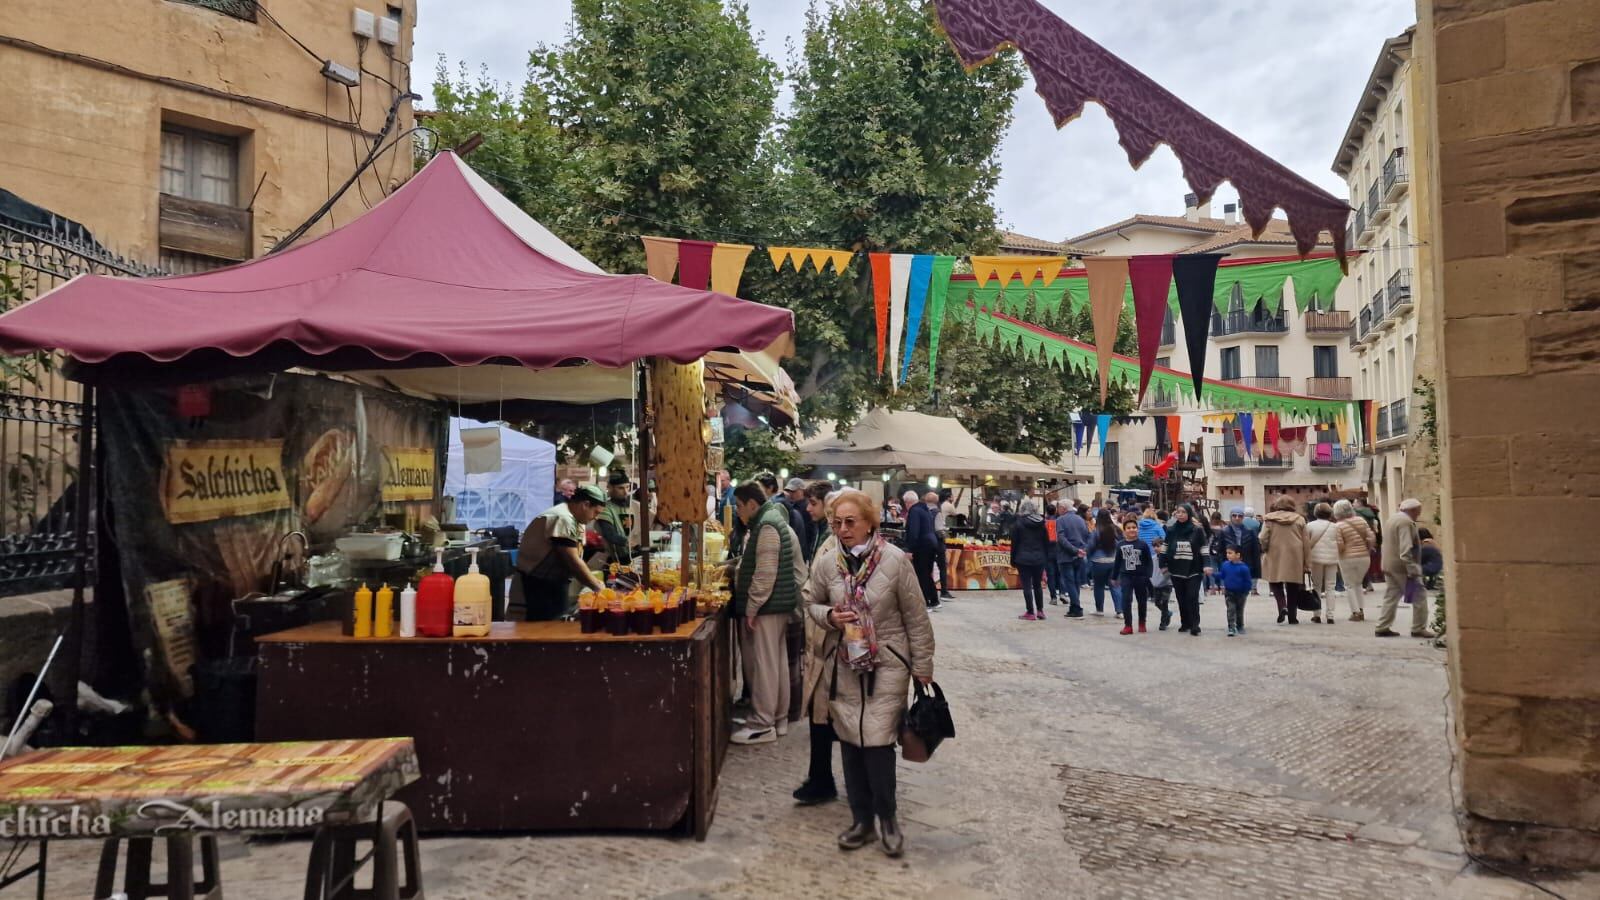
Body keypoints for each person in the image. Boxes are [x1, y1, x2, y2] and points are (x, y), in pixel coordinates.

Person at [801, 489, 935, 858]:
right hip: (844, 661)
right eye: (836, 523)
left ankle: (887, 819)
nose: (843, 529)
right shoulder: (828, 564)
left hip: (887, 662)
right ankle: (861, 820)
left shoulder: (894, 561)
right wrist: (829, 617)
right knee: (849, 740)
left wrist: (923, 664)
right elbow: (809, 600)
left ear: (869, 523)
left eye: (850, 522)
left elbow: (916, 616)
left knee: (876, 741)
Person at [730, 481, 808, 746]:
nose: (739, 512)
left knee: (763, 665)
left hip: (768, 607)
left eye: (739, 506)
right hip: (776, 606)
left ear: (753, 504)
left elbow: (765, 573)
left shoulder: (766, 526)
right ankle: (778, 718)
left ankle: (762, 723)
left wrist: (752, 607)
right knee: (775, 664)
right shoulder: (771, 520)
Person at [794, 485, 842, 806]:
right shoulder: (826, 540)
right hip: (819, 640)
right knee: (819, 714)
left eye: (813, 503)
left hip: (831, 644)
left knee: (827, 715)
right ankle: (820, 775)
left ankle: (824, 779)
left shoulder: (836, 546)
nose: (808, 509)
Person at [515, 485, 608, 621]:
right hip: (538, 586)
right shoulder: (563, 518)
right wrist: (596, 586)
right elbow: (572, 559)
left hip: (553, 584)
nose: (595, 518)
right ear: (585, 505)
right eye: (595, 512)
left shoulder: (575, 519)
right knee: (544, 631)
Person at [1376, 498, 1434, 638]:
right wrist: (1411, 568)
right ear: (1412, 510)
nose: (1418, 516)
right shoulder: (1406, 522)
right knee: (1419, 595)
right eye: (1417, 513)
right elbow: (1405, 548)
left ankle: (1382, 626)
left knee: (1391, 595)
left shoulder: (1393, 519)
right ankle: (1418, 628)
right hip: (1402, 566)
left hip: (1389, 563)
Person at [1259, 496, 1309, 625]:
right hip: (1295, 554)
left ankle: (1282, 606)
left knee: (1275, 582)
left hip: (1274, 553)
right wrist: (1307, 562)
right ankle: (1293, 617)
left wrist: (1265, 549)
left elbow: (1262, 537)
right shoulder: (1300, 519)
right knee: (1293, 586)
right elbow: (1306, 542)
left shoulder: (1269, 519)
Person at [1163, 504, 1209, 634]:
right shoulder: (1171, 530)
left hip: (1194, 569)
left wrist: (1206, 564)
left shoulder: (1197, 530)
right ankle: (1185, 623)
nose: (1181, 514)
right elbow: (1165, 547)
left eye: (1183, 512)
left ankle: (1195, 625)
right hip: (1176, 569)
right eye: (1178, 512)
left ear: (1189, 514)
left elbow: (1204, 548)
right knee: (1181, 598)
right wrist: (1163, 564)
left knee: (1192, 597)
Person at [1332, 499, 1374, 622]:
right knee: (1358, 584)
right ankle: (1361, 610)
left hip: (1347, 558)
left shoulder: (1338, 526)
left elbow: (1340, 544)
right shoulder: (1361, 521)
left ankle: (1355, 612)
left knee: (1349, 585)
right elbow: (1371, 537)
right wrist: (1368, 550)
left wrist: (1338, 555)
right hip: (1364, 557)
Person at [903, 490, 942, 611]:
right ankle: (934, 600)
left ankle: (925, 602)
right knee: (927, 573)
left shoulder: (914, 511)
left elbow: (914, 531)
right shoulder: (925, 510)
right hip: (931, 543)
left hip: (922, 546)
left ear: (907, 502)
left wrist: (910, 549)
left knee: (921, 574)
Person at [1011, 499, 1050, 620]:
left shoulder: (1019, 523)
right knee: (1037, 585)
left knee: (1027, 585)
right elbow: (1046, 542)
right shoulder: (1041, 523)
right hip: (1039, 558)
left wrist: (1013, 559)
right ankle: (1040, 610)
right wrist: (1045, 558)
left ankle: (1030, 612)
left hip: (1023, 558)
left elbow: (1015, 543)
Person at [1115, 518, 1154, 634]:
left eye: (1134, 527)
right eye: (1128, 528)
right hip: (1126, 576)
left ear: (1137, 529)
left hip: (1141, 577)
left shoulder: (1143, 544)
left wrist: (1148, 575)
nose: (1132, 529)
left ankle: (1142, 622)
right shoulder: (1120, 545)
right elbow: (1117, 562)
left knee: (1142, 601)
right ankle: (1128, 625)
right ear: (1124, 530)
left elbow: (1149, 561)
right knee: (1126, 600)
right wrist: (1114, 577)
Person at [1213, 506, 1261, 599]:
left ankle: (1238, 612)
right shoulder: (1224, 532)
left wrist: (1256, 571)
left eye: (1239, 516)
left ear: (1243, 517)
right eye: (1234, 516)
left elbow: (1255, 551)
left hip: (1245, 565)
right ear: (1231, 517)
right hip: (1230, 565)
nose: (1237, 518)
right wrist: (1223, 565)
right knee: (1230, 597)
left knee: (1242, 597)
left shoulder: (1249, 532)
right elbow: (1220, 550)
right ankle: (1232, 612)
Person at [1305, 502, 1341, 625]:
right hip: (1332, 559)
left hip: (1316, 559)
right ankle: (1330, 615)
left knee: (1317, 586)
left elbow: (1306, 543)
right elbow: (1340, 543)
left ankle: (1317, 614)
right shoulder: (1335, 527)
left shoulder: (1310, 526)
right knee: (1331, 587)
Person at [593, 470, 636, 567]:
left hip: (635, 555)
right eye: (620, 488)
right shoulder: (605, 509)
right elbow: (610, 534)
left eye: (627, 487)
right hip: (617, 560)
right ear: (610, 488)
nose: (626, 492)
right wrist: (627, 542)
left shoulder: (633, 506)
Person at [1055, 501, 1090, 617]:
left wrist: (1074, 550)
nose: (1058, 510)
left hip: (1066, 555)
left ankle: (1076, 607)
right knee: (1076, 582)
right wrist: (1081, 550)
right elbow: (1086, 536)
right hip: (1079, 555)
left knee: (1069, 582)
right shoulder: (1080, 519)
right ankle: (1074, 606)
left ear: (1063, 508)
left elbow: (1061, 538)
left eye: (1059, 508)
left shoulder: (1060, 520)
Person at [1087, 510, 1123, 617]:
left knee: (1099, 586)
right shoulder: (1115, 530)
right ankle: (1119, 611)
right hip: (1113, 561)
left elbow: (1090, 546)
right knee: (1115, 585)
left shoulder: (1096, 531)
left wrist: (1088, 557)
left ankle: (1099, 610)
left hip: (1098, 562)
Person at [1218, 545, 1254, 636]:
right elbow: (1222, 575)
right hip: (1229, 592)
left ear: (1238, 555)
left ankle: (1240, 626)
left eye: (1230, 553)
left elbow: (1248, 581)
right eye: (1227, 553)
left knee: (1239, 610)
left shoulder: (1244, 568)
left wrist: (1246, 591)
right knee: (1230, 609)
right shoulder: (1225, 565)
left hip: (1241, 593)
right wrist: (1213, 574)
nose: (1228, 555)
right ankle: (1231, 627)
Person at [934, 490, 956, 600]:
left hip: (931, 543)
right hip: (939, 542)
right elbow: (940, 529)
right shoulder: (939, 510)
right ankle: (944, 591)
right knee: (942, 566)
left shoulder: (938, 508)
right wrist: (944, 535)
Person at [1042, 500, 1062, 605]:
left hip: (1047, 550)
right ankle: (1062, 593)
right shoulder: (1059, 521)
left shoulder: (1043, 523)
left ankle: (1053, 596)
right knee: (1060, 573)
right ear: (1055, 511)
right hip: (1058, 549)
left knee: (1051, 574)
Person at [1149, 540, 1172, 629]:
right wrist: (1152, 579)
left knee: (1164, 602)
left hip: (1166, 584)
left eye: (1158, 546)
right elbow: (1152, 570)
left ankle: (1163, 623)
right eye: (1154, 546)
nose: (1156, 548)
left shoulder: (1168, 557)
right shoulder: (1153, 558)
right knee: (1157, 603)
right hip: (1156, 584)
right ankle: (1167, 613)